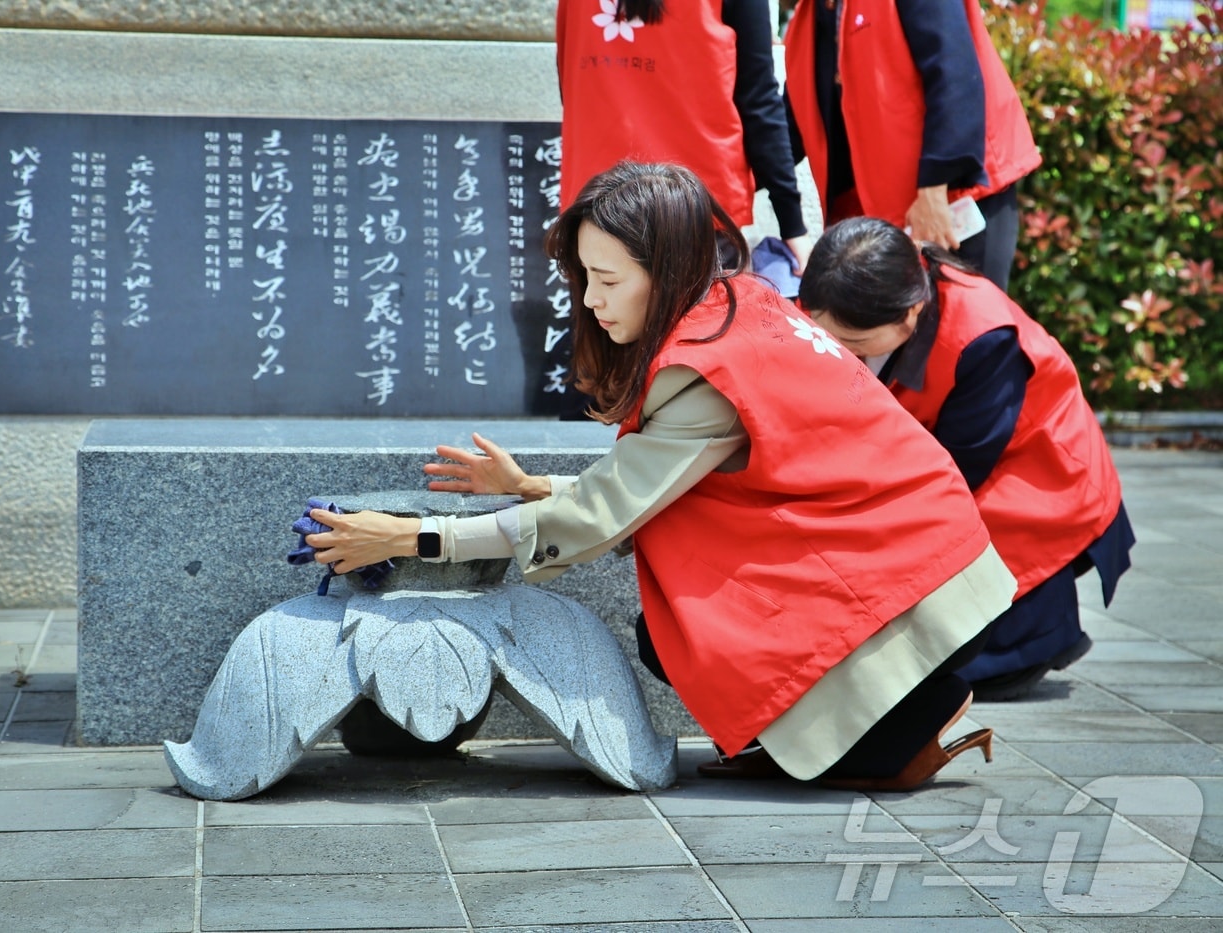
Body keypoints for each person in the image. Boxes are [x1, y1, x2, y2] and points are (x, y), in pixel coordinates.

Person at [303, 162, 1020, 790]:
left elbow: (599, 518)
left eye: (609, 280)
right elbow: (657, 485)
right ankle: (846, 731)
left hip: (909, 571)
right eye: (584, 278)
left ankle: (904, 723)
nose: (590, 300)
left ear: (667, 270)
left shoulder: (707, 368)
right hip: (909, 547)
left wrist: (410, 537)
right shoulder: (736, 307)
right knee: (674, 621)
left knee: (680, 629)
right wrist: (532, 487)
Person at [797, 216, 1135, 700]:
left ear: (911, 313)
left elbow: (958, 470)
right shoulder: (851, 301)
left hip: (1032, 474)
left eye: (851, 345)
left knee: (952, 657)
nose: (833, 351)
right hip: (943, 462)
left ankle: (1033, 642)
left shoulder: (981, 335)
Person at [781, 0, 1041, 291]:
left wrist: (933, 192)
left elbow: (952, 68)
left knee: (969, 325)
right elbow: (787, 131)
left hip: (954, 197)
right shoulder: (807, 18)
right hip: (881, 219)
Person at [556, 0, 813, 271]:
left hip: (595, 206)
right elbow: (758, 100)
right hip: (697, 208)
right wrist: (792, 224)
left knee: (602, 308)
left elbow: (568, 83)